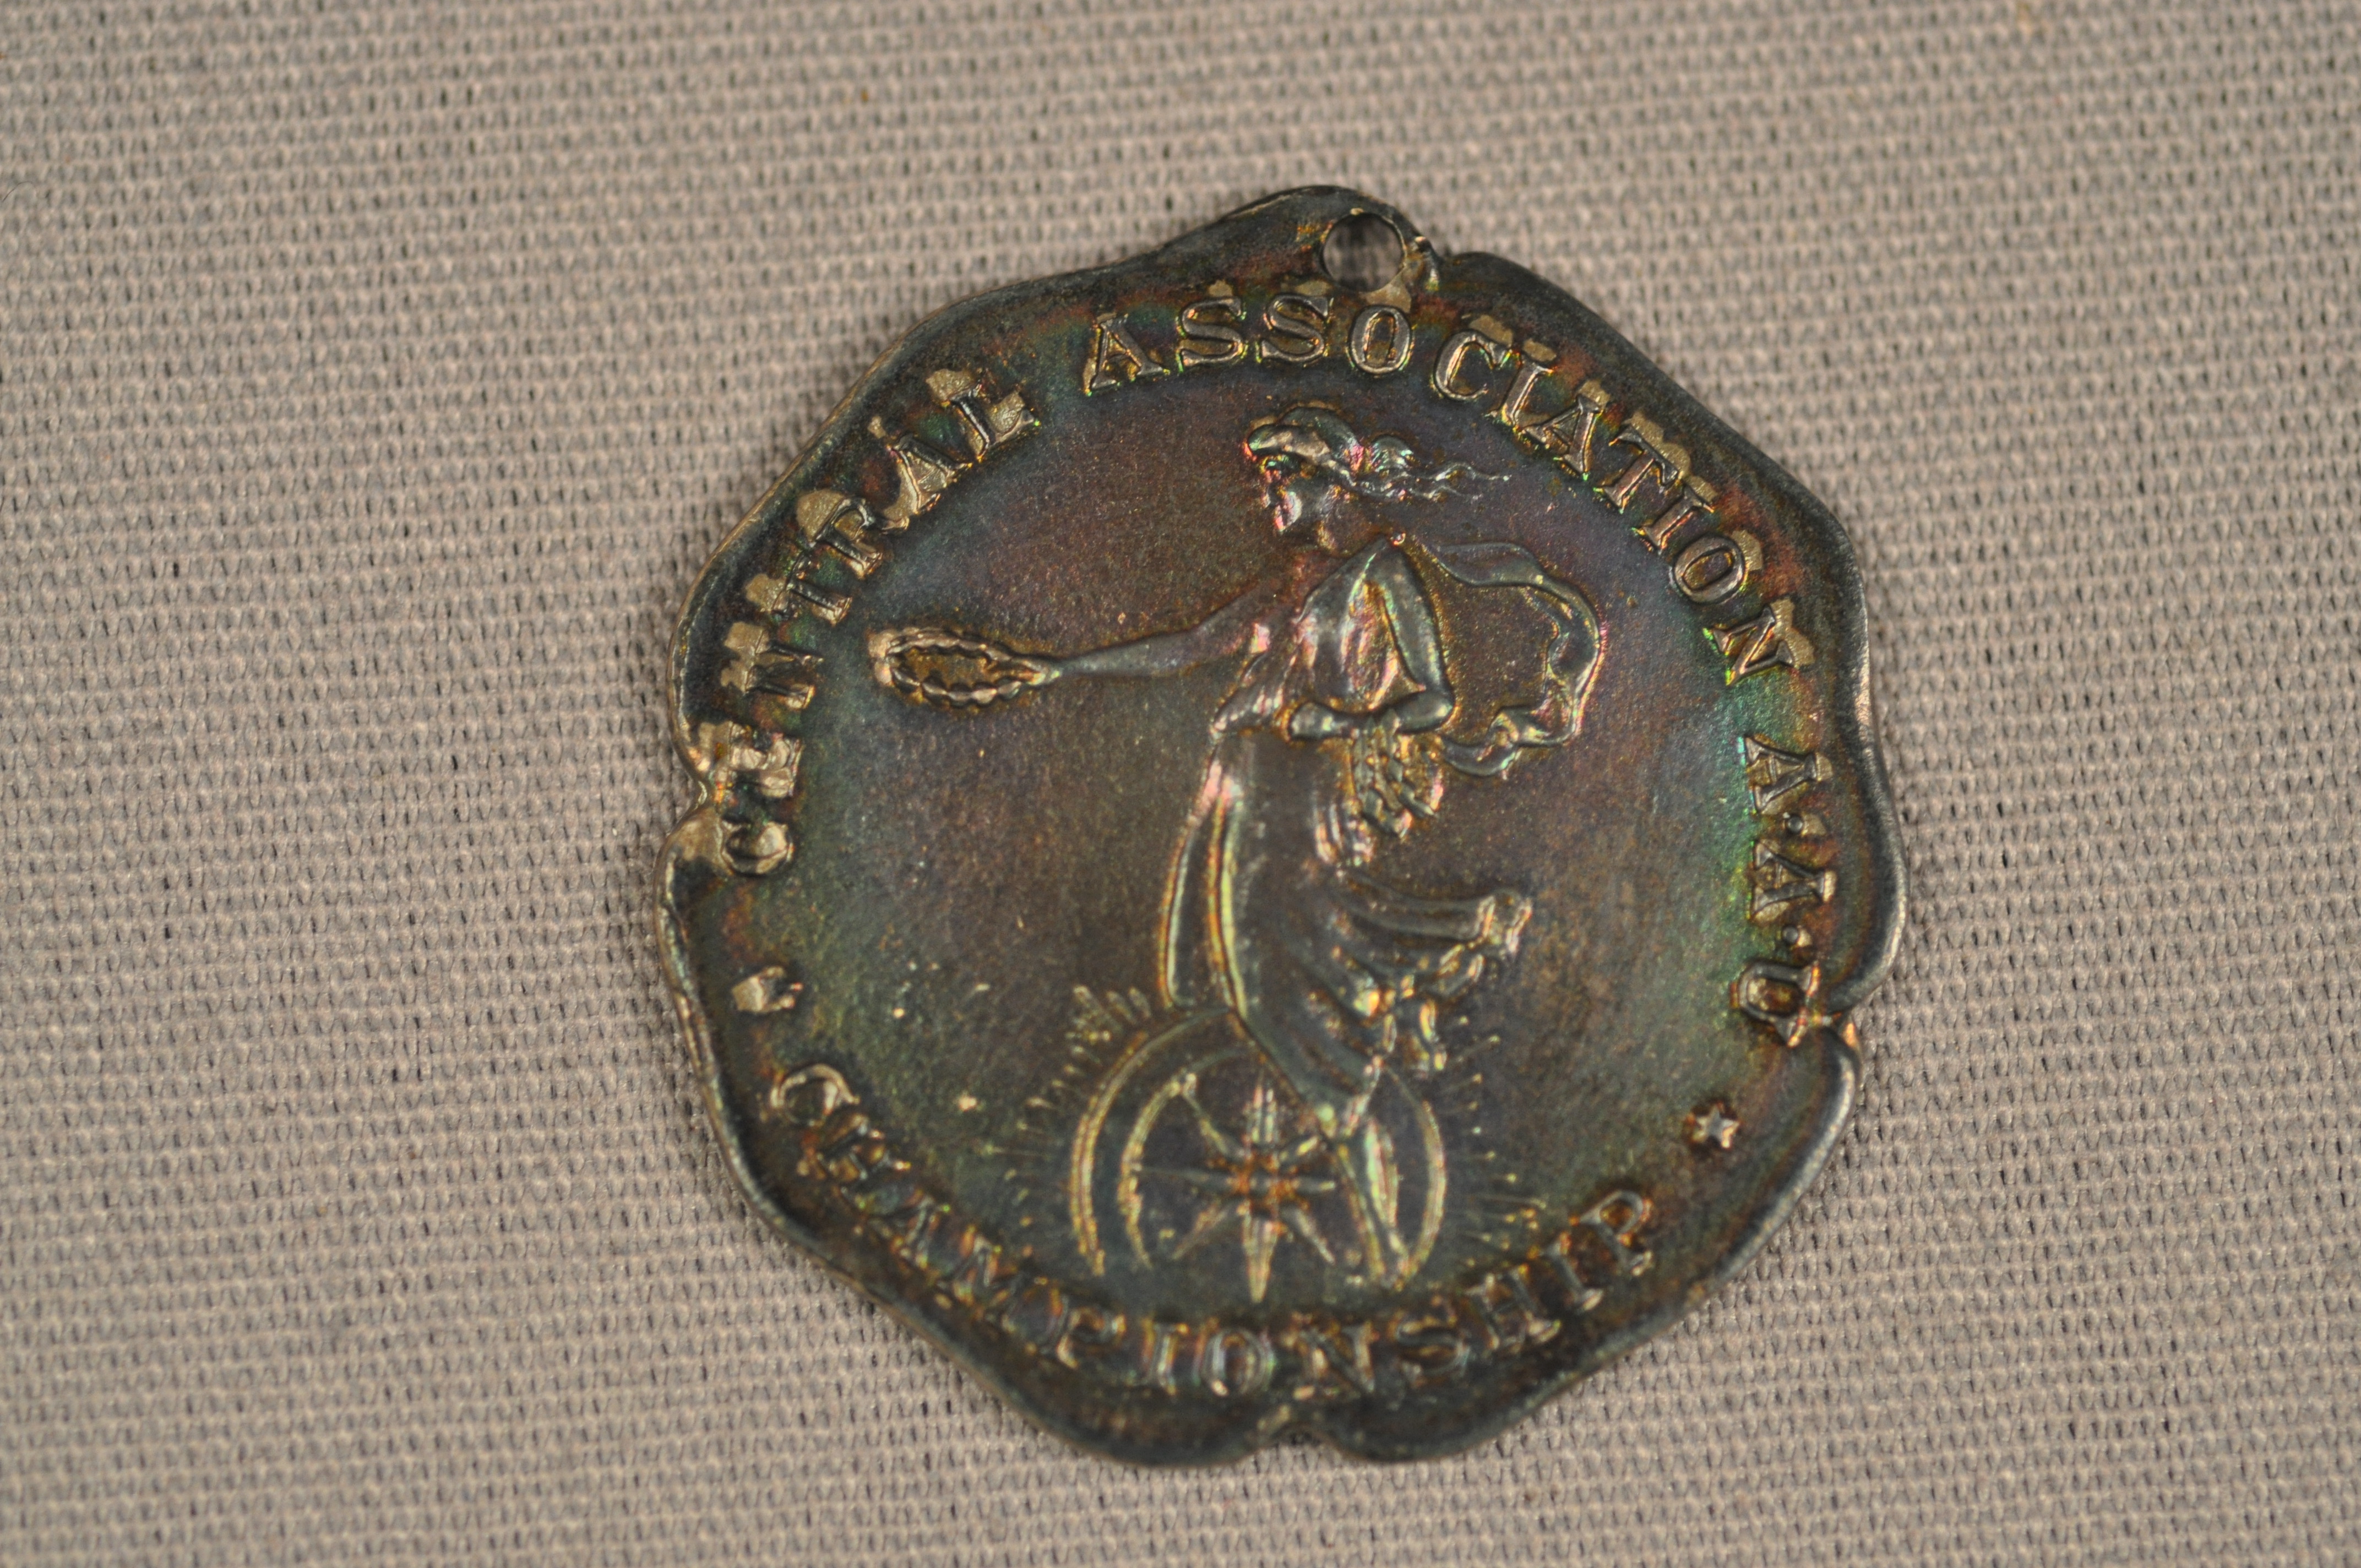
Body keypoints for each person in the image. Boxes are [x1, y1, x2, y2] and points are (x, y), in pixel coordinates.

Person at [1024, 406, 1602, 1284]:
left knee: (1286, 988)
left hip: (1302, 792)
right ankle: (1340, 1149)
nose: (1270, 500)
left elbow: (1435, 698)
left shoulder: (1382, 574)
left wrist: (1337, 719)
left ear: (1330, 486)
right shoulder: (1290, 583)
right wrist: (1061, 668)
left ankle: (1369, 1202)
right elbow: (1192, 646)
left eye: (1282, 482)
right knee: (1249, 975)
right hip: (1244, 786)